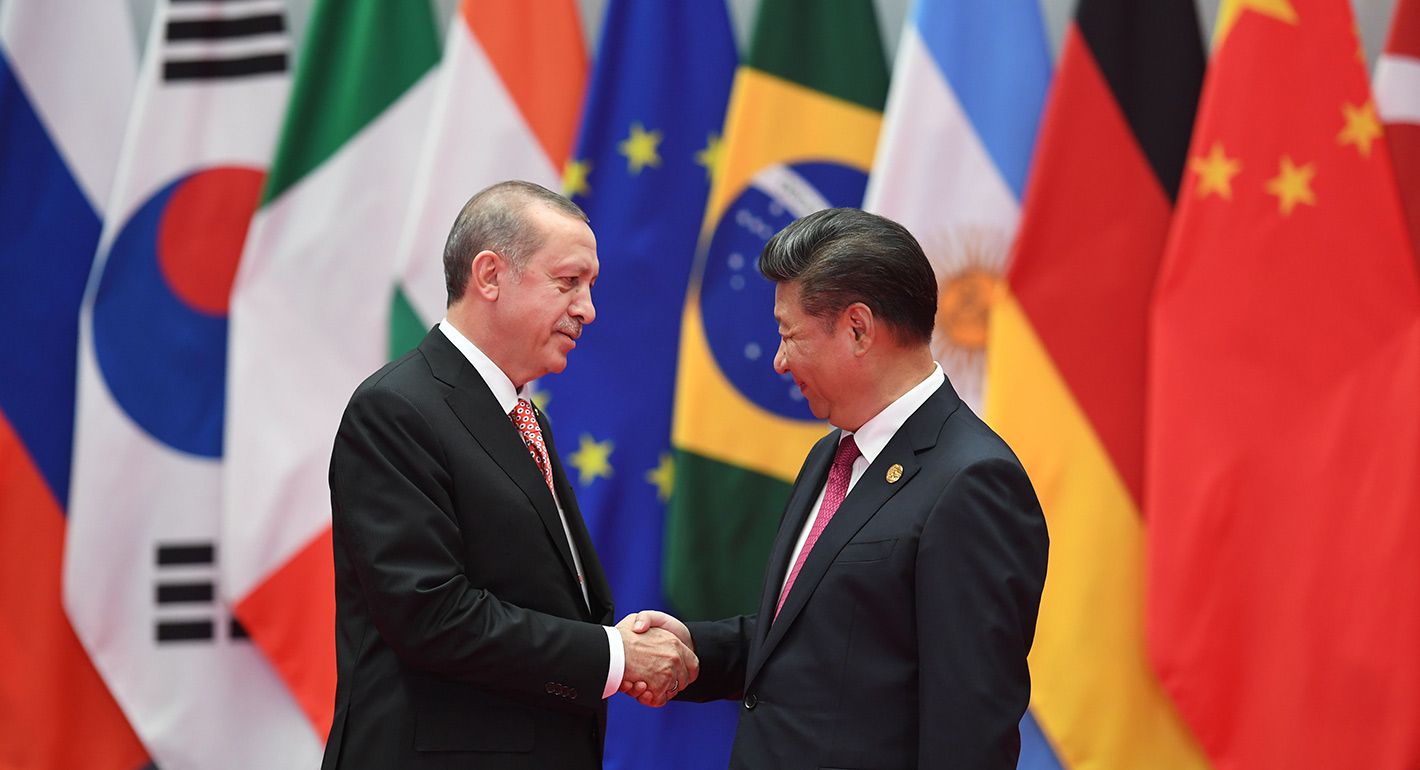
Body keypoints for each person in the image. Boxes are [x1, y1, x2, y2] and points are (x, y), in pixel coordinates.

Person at [628, 208, 1049, 769]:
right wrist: (694, 650)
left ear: (857, 328)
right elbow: (827, 635)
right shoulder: (832, 452)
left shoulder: (973, 483)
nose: (778, 361)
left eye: (788, 335)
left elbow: (968, 729)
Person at [322, 180, 696, 770]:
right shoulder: (397, 409)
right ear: (490, 275)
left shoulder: (525, 419)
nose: (588, 309)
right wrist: (613, 656)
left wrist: (618, 643)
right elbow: (431, 615)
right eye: (568, 282)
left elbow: (538, 597)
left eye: (591, 286)